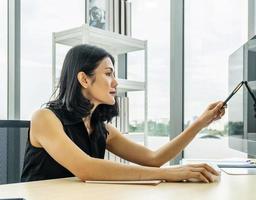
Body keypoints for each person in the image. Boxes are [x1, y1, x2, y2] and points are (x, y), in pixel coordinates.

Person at [21, 44, 225, 183]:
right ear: (84, 79)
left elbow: (154, 158)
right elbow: (86, 168)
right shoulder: (45, 118)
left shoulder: (102, 129)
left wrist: (200, 122)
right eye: (108, 74)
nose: (116, 83)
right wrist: (169, 174)